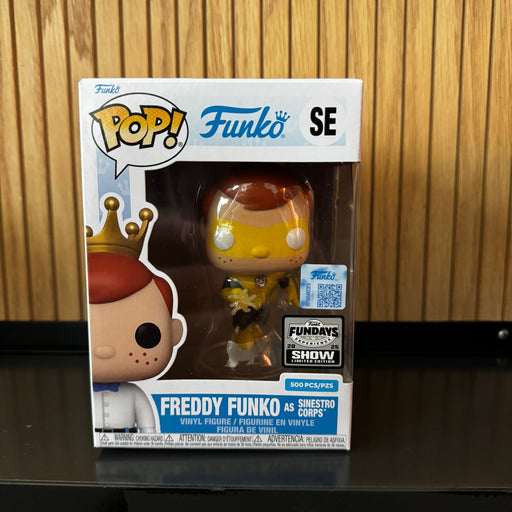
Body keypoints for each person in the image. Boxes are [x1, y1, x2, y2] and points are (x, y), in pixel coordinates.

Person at [87, 196, 184, 433]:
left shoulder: (135, 394)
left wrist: (149, 439)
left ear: (174, 332)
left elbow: (148, 425)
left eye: (146, 335)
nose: (104, 350)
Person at [204, 170, 313, 367]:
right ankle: (240, 352)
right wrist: (238, 296)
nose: (260, 250)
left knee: (269, 328)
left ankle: (261, 354)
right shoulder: (235, 279)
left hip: (271, 310)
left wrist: (292, 293)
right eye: (226, 239)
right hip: (244, 311)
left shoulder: (280, 276)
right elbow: (227, 291)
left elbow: (287, 285)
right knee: (245, 329)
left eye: (294, 238)